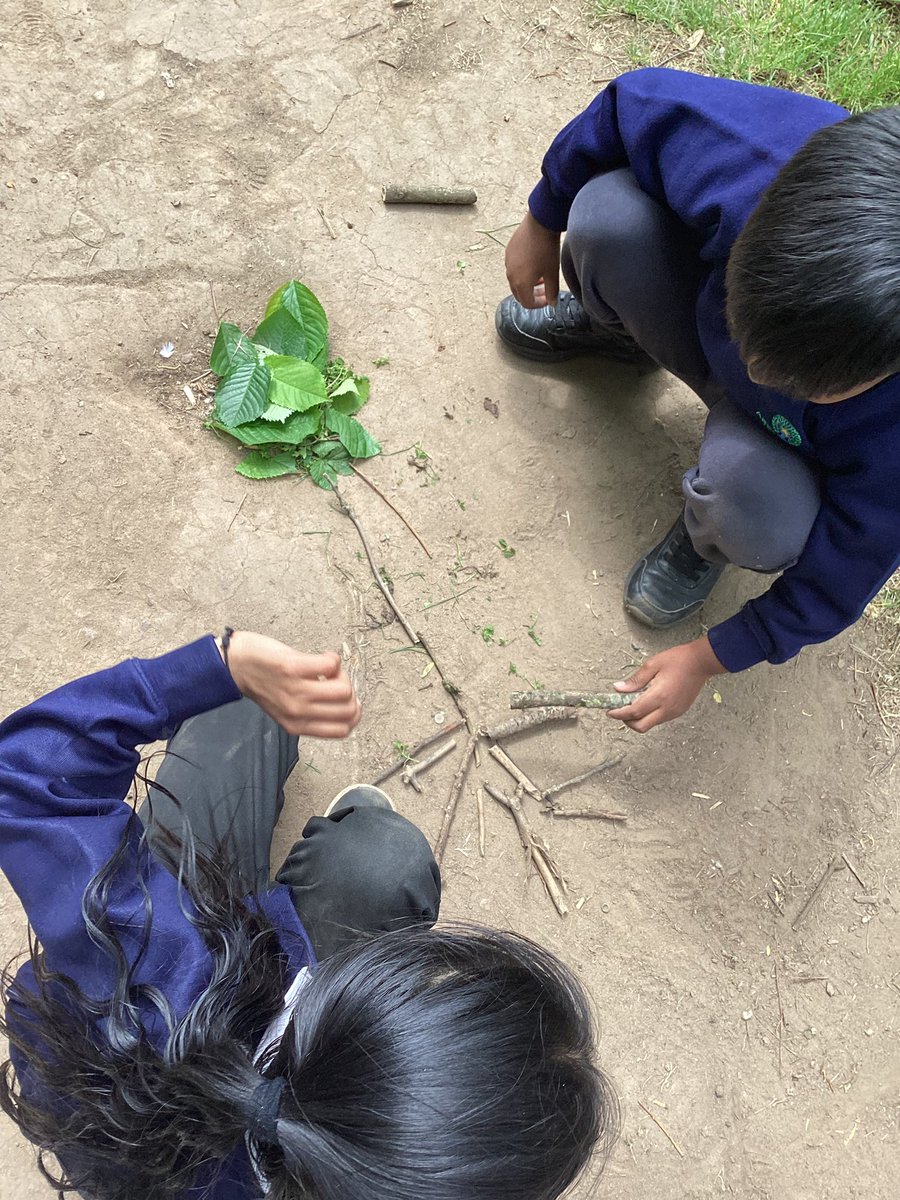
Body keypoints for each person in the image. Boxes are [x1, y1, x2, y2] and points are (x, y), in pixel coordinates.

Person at [0, 629, 618, 1200]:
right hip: (180, 1057)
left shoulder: (146, 976)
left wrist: (213, 669)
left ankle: (337, 848)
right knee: (381, 868)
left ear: (360, 1022)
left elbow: (25, 778)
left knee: (244, 708)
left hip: (143, 1000)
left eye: (430, 987)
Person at [495, 67, 900, 733]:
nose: (761, 370)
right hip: (704, 318)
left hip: (785, 445)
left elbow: (844, 575)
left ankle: (708, 537)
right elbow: (630, 102)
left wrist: (712, 657)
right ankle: (622, 333)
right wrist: (542, 218)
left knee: (758, 513)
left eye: (813, 381)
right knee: (605, 217)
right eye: (753, 322)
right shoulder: (755, 157)